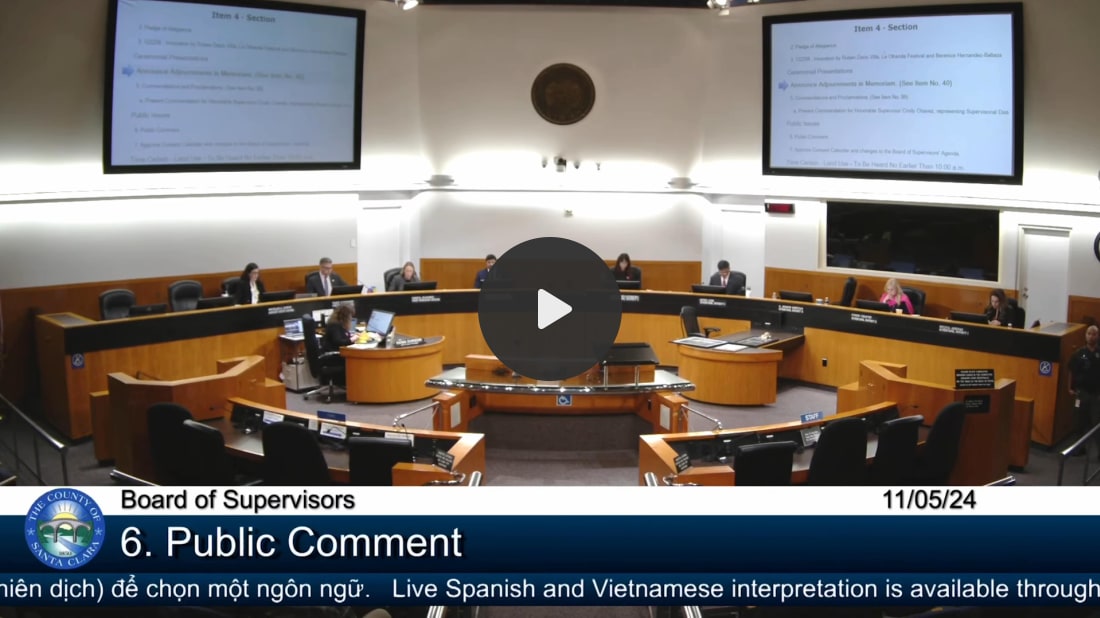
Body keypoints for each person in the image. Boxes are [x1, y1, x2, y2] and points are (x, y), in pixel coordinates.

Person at [1069, 325, 1100, 458]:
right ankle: (1079, 449)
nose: (1091, 336)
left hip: (1096, 394)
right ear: (1085, 336)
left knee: (1096, 423)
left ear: (1098, 336)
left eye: (1094, 334)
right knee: (1079, 422)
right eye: (1089, 334)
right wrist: (1070, 388)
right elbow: (1071, 371)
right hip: (1082, 393)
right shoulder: (1079, 353)